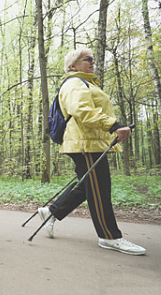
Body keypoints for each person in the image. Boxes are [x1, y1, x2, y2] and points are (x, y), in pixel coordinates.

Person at [38, 48, 146, 255]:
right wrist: (113, 125)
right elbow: (83, 111)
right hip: (84, 144)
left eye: (93, 59)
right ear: (72, 66)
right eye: (87, 59)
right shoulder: (74, 83)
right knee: (99, 188)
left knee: (88, 186)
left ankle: (51, 212)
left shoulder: (85, 83)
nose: (92, 62)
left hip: (90, 143)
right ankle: (109, 236)